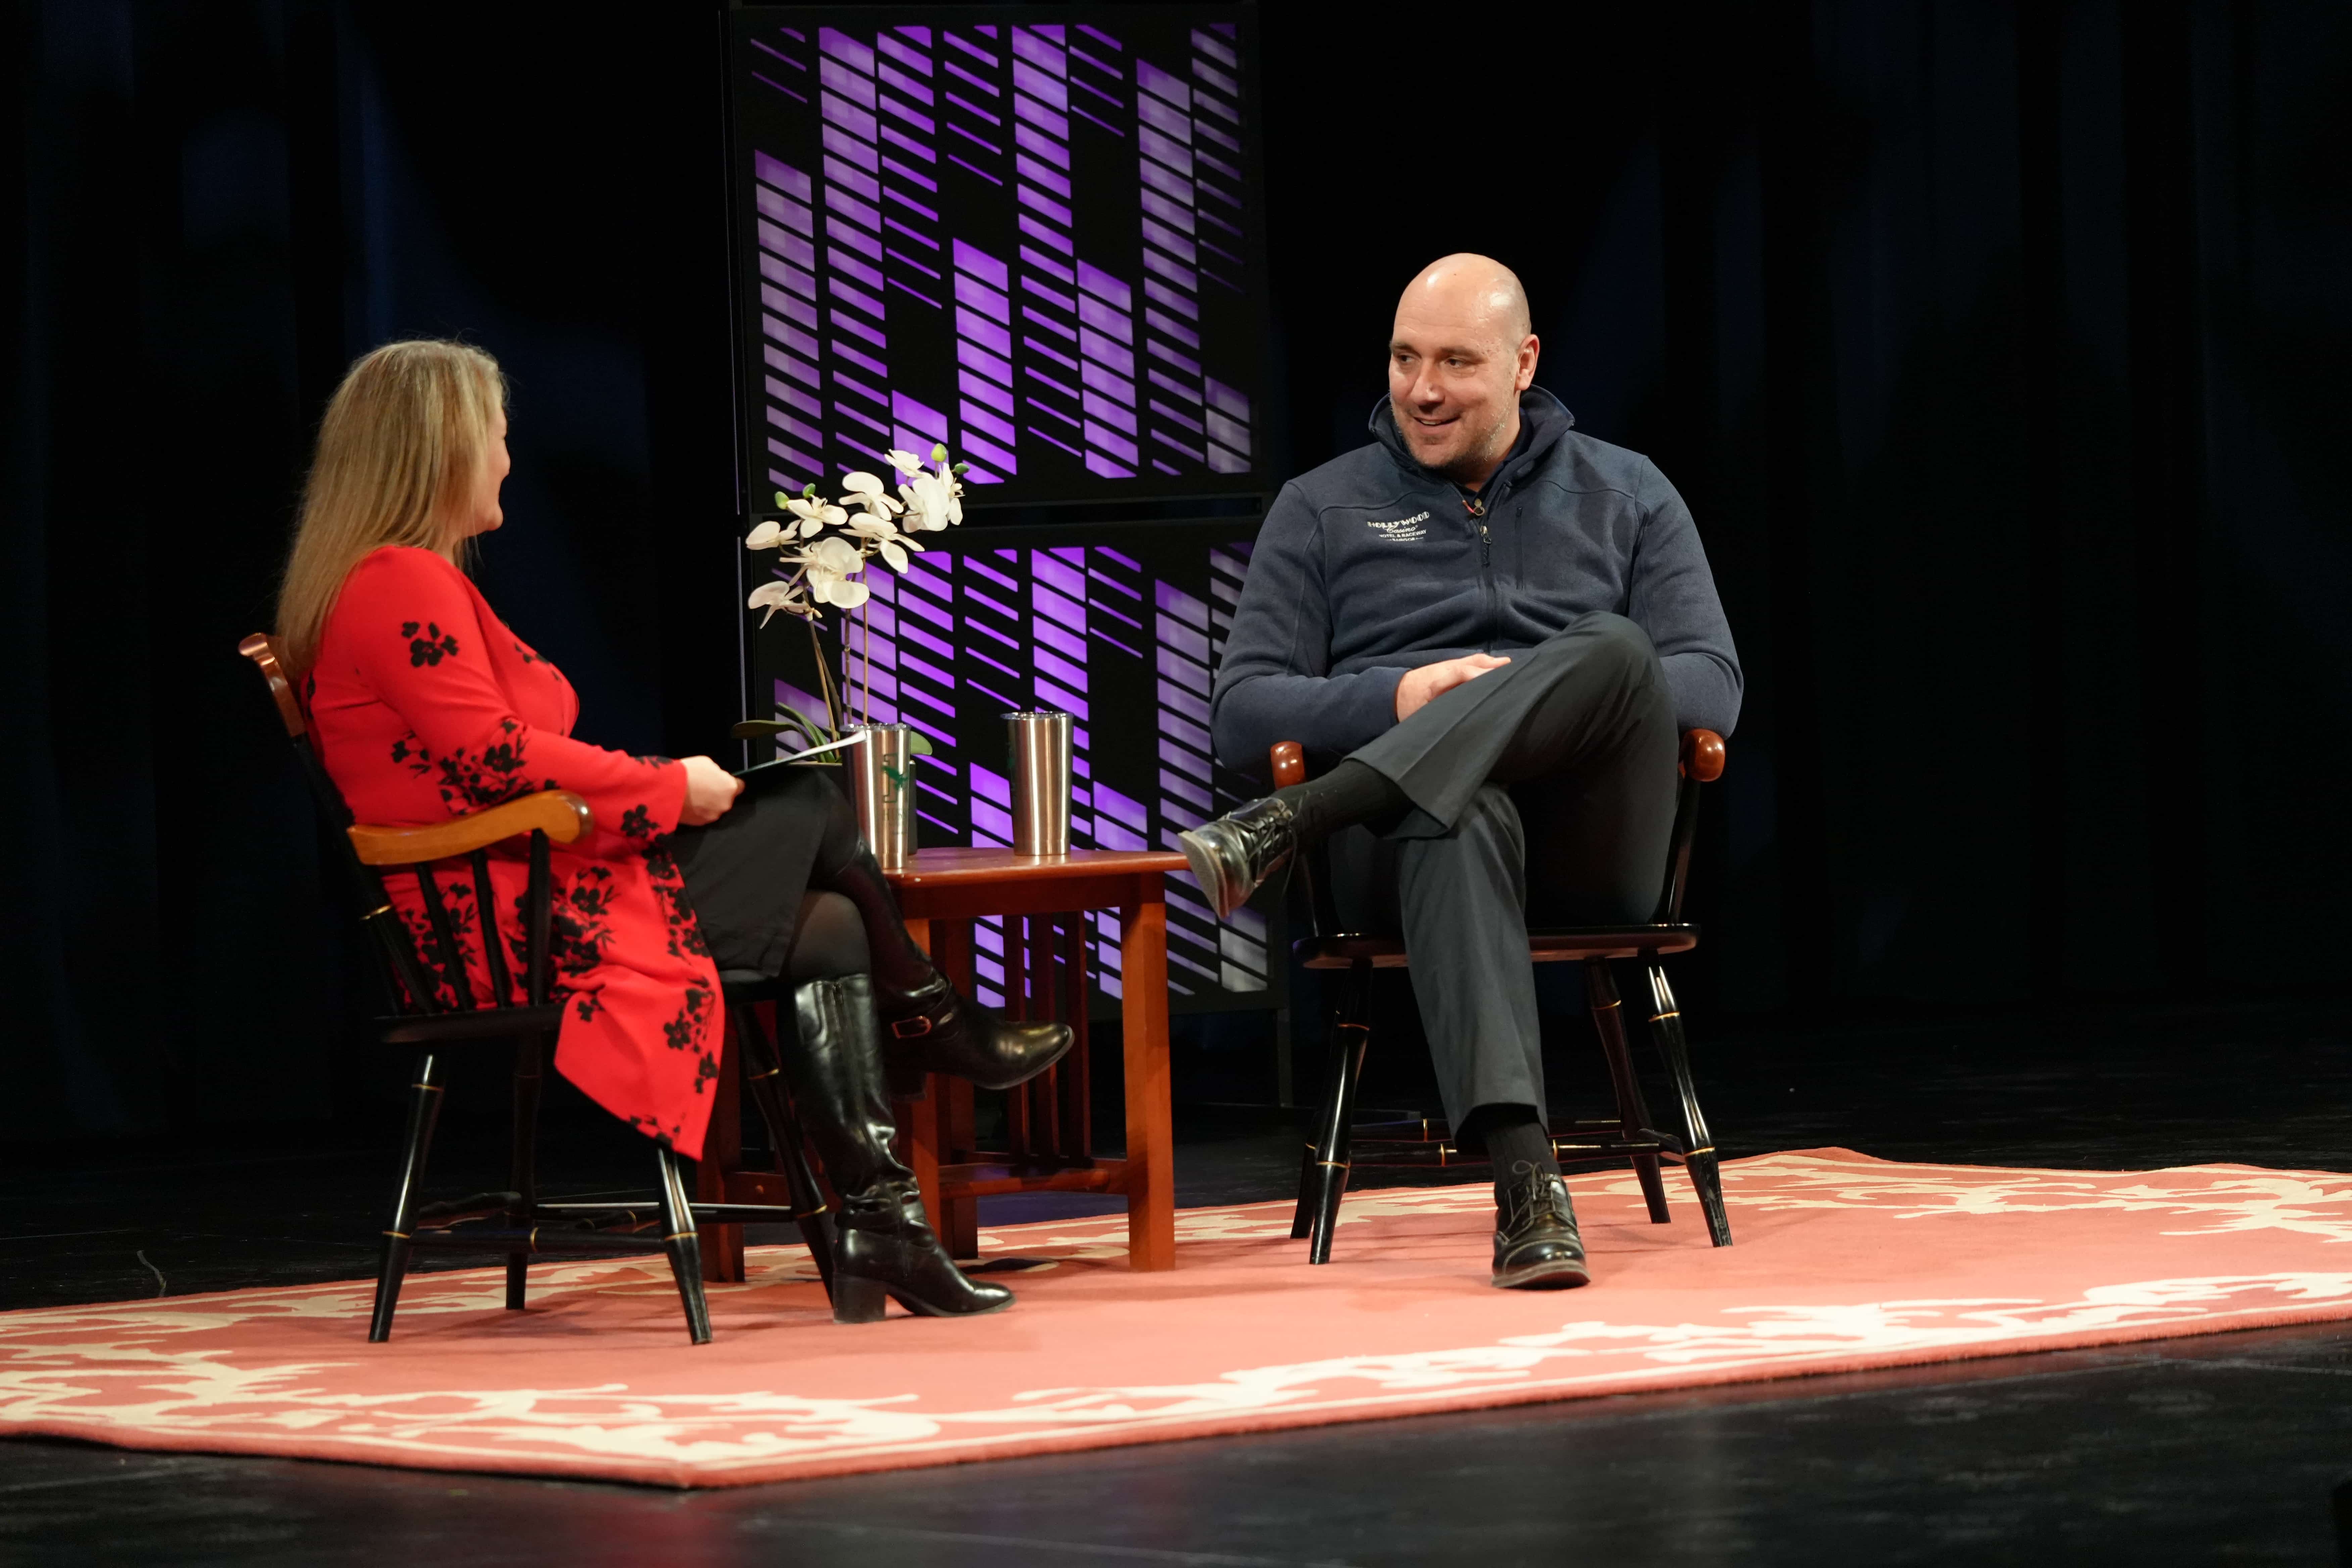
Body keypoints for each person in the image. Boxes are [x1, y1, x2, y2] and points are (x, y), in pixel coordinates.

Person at [277, 339, 1073, 1323]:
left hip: (532, 877)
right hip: (510, 917)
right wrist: (664, 787)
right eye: (497, 437)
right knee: (814, 804)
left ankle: (886, 1220)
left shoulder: (400, 579)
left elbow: (496, 756)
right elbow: (494, 756)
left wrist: (664, 791)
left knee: (826, 920)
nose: (507, 459)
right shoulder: (398, 581)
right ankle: (935, 1029)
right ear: (440, 450)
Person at [1183, 255, 1741, 1291]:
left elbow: (1709, 690)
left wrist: (1517, 694)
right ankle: (1530, 1189)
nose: (1423, 389)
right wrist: (1396, 701)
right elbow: (1241, 712)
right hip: (1405, 862)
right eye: (1403, 358)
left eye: (1455, 361)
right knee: (1454, 804)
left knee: (1615, 648)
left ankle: (1295, 818)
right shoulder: (1320, 508)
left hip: (1591, 839)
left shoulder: (1627, 492)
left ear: (1524, 362)